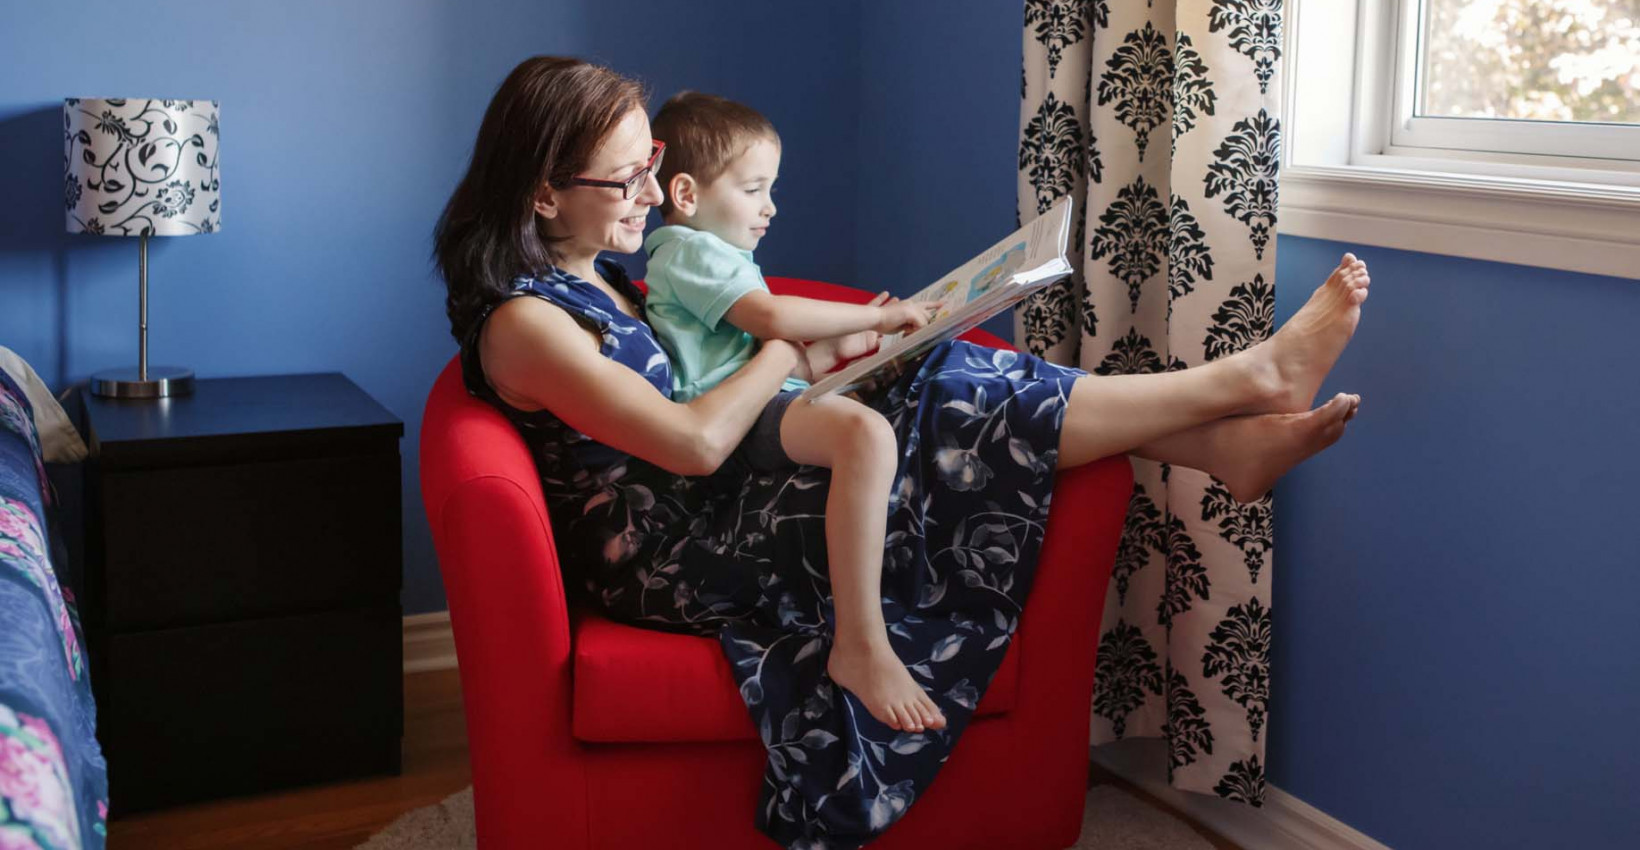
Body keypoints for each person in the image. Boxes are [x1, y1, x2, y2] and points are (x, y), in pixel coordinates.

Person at [434, 56, 1367, 850]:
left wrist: (852, 350)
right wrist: (784, 352)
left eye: (650, 168)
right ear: (543, 191)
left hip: (721, 489)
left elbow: (699, 385)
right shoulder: (525, 324)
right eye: (624, 180)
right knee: (926, 416)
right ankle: (1238, 395)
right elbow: (692, 439)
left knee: (946, 376)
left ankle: (1223, 433)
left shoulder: (596, 273)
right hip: (674, 549)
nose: (648, 195)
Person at [643, 91, 950, 735]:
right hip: (736, 417)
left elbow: (760, 345)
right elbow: (773, 321)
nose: (770, 207)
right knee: (863, 435)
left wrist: (841, 348)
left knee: (900, 410)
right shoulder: (684, 250)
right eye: (755, 189)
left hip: (761, 400)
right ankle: (860, 644)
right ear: (687, 194)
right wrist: (877, 315)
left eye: (770, 189)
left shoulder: (713, 256)